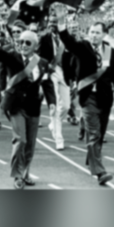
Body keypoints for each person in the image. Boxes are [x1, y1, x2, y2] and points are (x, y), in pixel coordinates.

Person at [55, 4, 114, 186]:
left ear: (104, 35)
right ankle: (99, 171)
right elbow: (69, 41)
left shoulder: (112, 52)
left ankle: (91, 158)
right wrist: (61, 22)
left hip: (105, 97)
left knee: (100, 133)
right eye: (92, 32)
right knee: (93, 133)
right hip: (87, 97)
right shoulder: (83, 47)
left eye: (97, 33)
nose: (94, 35)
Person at [0, 17, 56, 189]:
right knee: (20, 140)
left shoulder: (43, 63)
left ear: (35, 46)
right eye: (21, 42)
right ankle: (17, 175)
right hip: (16, 106)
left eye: (27, 43)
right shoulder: (12, 57)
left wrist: (52, 102)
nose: (23, 45)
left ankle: (25, 173)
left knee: (30, 144)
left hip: (34, 107)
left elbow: (47, 84)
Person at [41, 16, 72, 150]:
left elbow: (71, 58)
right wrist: (45, 69)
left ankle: (53, 124)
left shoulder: (66, 38)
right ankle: (58, 138)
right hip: (50, 73)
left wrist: (73, 78)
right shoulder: (44, 39)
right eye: (51, 22)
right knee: (54, 105)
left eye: (55, 22)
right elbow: (40, 57)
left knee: (66, 106)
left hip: (64, 73)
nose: (52, 24)